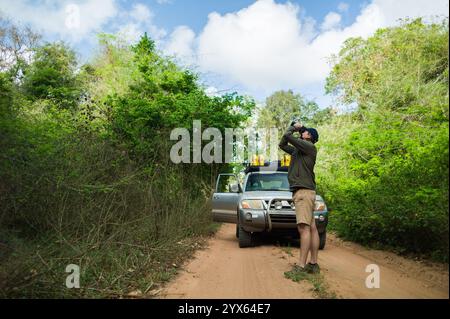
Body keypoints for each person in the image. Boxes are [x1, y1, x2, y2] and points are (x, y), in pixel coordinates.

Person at [279, 122, 320, 274]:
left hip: (303, 192)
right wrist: (294, 128)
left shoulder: (308, 147)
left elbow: (288, 136)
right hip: (306, 192)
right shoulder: (299, 151)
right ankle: (313, 264)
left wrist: (294, 127)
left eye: (305, 131)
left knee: (303, 228)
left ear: (310, 136)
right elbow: (282, 143)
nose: (303, 132)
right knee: (312, 228)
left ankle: (301, 266)